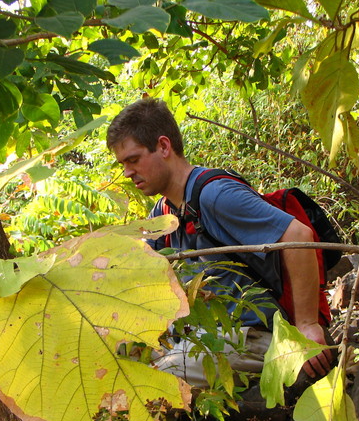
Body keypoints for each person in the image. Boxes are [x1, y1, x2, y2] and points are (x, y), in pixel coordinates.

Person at [106, 97, 334, 387]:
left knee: (156, 377)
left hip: (264, 336)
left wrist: (306, 327)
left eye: (133, 160)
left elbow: (298, 236)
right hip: (214, 337)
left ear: (163, 147)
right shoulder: (163, 213)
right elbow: (136, 270)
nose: (127, 172)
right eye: (122, 164)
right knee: (123, 355)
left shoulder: (215, 195)